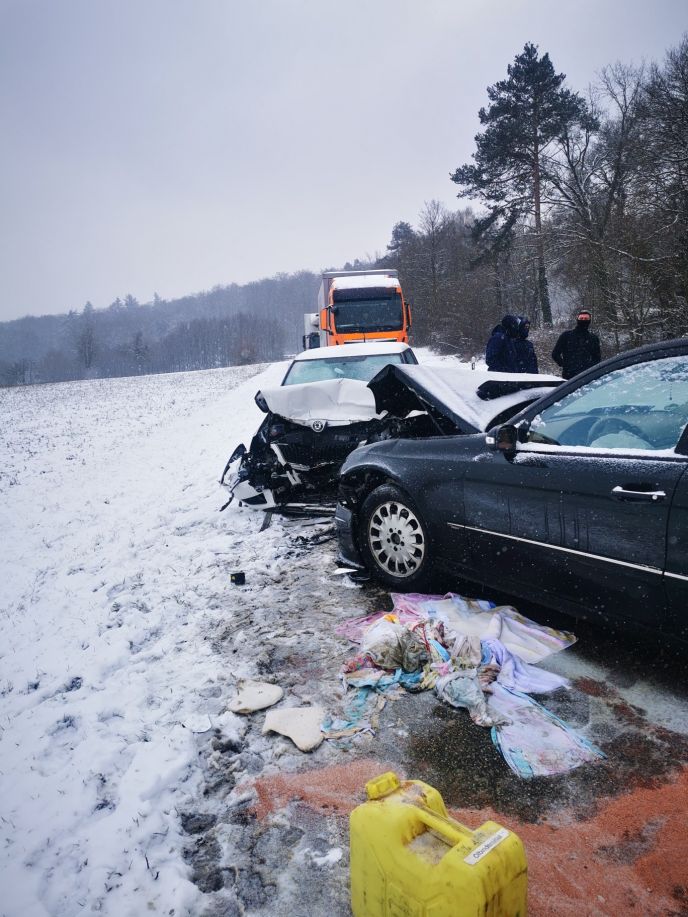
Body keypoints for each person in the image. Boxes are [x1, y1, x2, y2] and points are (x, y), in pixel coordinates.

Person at [552, 310, 601, 379]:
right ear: (577, 319)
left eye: (586, 319)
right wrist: (565, 365)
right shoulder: (566, 336)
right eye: (581, 318)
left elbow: (597, 358)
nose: (583, 320)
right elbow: (555, 354)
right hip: (569, 375)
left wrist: (590, 368)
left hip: (587, 375)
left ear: (590, 321)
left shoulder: (593, 338)